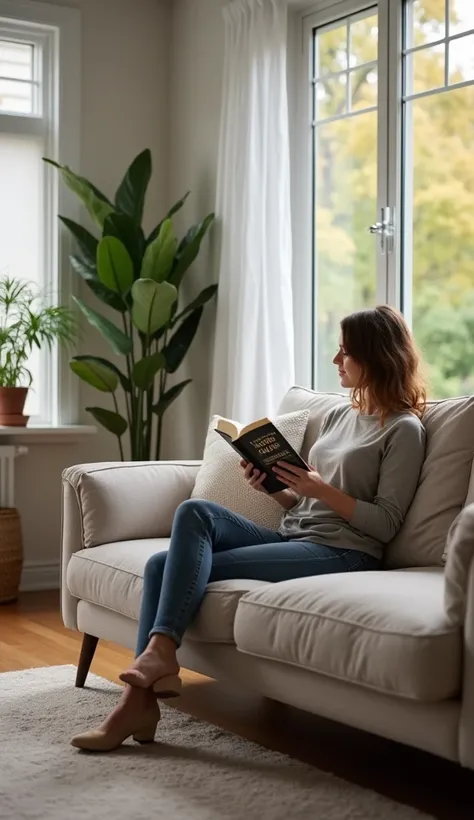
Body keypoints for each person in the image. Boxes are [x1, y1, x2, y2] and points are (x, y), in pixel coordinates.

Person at [71, 305, 427, 751]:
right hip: (295, 532)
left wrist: (321, 489)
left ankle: (137, 700)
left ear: (377, 356)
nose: (337, 361)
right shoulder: (342, 415)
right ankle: (155, 666)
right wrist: (274, 487)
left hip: (345, 550)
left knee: (165, 568)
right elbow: (301, 500)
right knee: (195, 513)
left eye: (346, 352)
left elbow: (387, 523)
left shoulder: (404, 430)